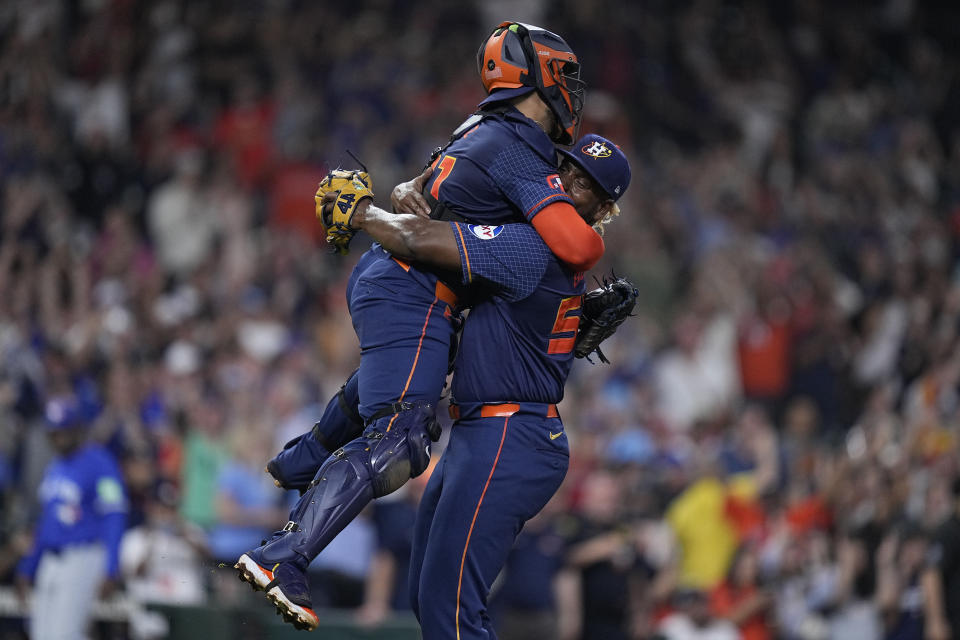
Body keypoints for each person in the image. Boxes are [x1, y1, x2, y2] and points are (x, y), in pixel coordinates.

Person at [234, 21, 605, 630]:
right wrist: (372, 213)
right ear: (535, 76)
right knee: (403, 436)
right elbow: (577, 244)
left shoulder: (481, 131)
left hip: (405, 286)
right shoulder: (518, 146)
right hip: (414, 286)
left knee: (396, 392)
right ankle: (285, 555)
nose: (572, 89)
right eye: (563, 74)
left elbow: (429, 194)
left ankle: (306, 459)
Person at [14, 396, 128, 640]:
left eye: (63, 431)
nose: (58, 438)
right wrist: (28, 567)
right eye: (54, 433)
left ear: (76, 429)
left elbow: (114, 515)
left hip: (82, 557)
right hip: (50, 561)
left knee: (66, 634)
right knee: (41, 634)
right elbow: (47, 523)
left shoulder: (100, 462)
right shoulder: (55, 466)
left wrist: (111, 567)